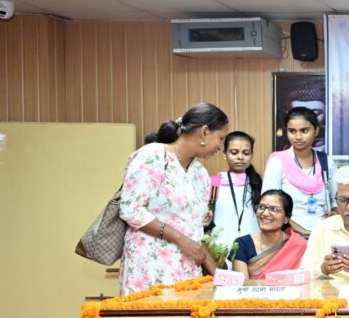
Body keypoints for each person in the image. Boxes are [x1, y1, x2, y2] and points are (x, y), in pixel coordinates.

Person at [119, 103, 228, 295]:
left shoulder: (201, 174)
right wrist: (180, 239)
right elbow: (131, 210)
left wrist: (219, 276)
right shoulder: (153, 155)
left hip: (187, 273)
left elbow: (195, 234)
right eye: (221, 138)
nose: (221, 146)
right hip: (149, 269)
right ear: (204, 132)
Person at [263, 107, 335, 237]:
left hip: (323, 235)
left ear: (316, 130)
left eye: (304, 131)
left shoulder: (326, 161)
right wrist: (301, 231)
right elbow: (270, 205)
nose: (298, 137)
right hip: (288, 236)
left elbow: (336, 200)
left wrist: (334, 214)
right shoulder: (278, 162)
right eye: (292, 131)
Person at [230, 190, 308, 279]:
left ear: (286, 218)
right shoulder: (241, 244)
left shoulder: (298, 245)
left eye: (274, 209)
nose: (265, 213)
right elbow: (242, 284)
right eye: (261, 207)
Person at [209, 131, 261, 249]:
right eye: (234, 152)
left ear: (252, 155)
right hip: (220, 248)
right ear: (225, 154)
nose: (240, 157)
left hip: (252, 249)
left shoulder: (258, 184)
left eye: (246, 153)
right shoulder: (214, 183)